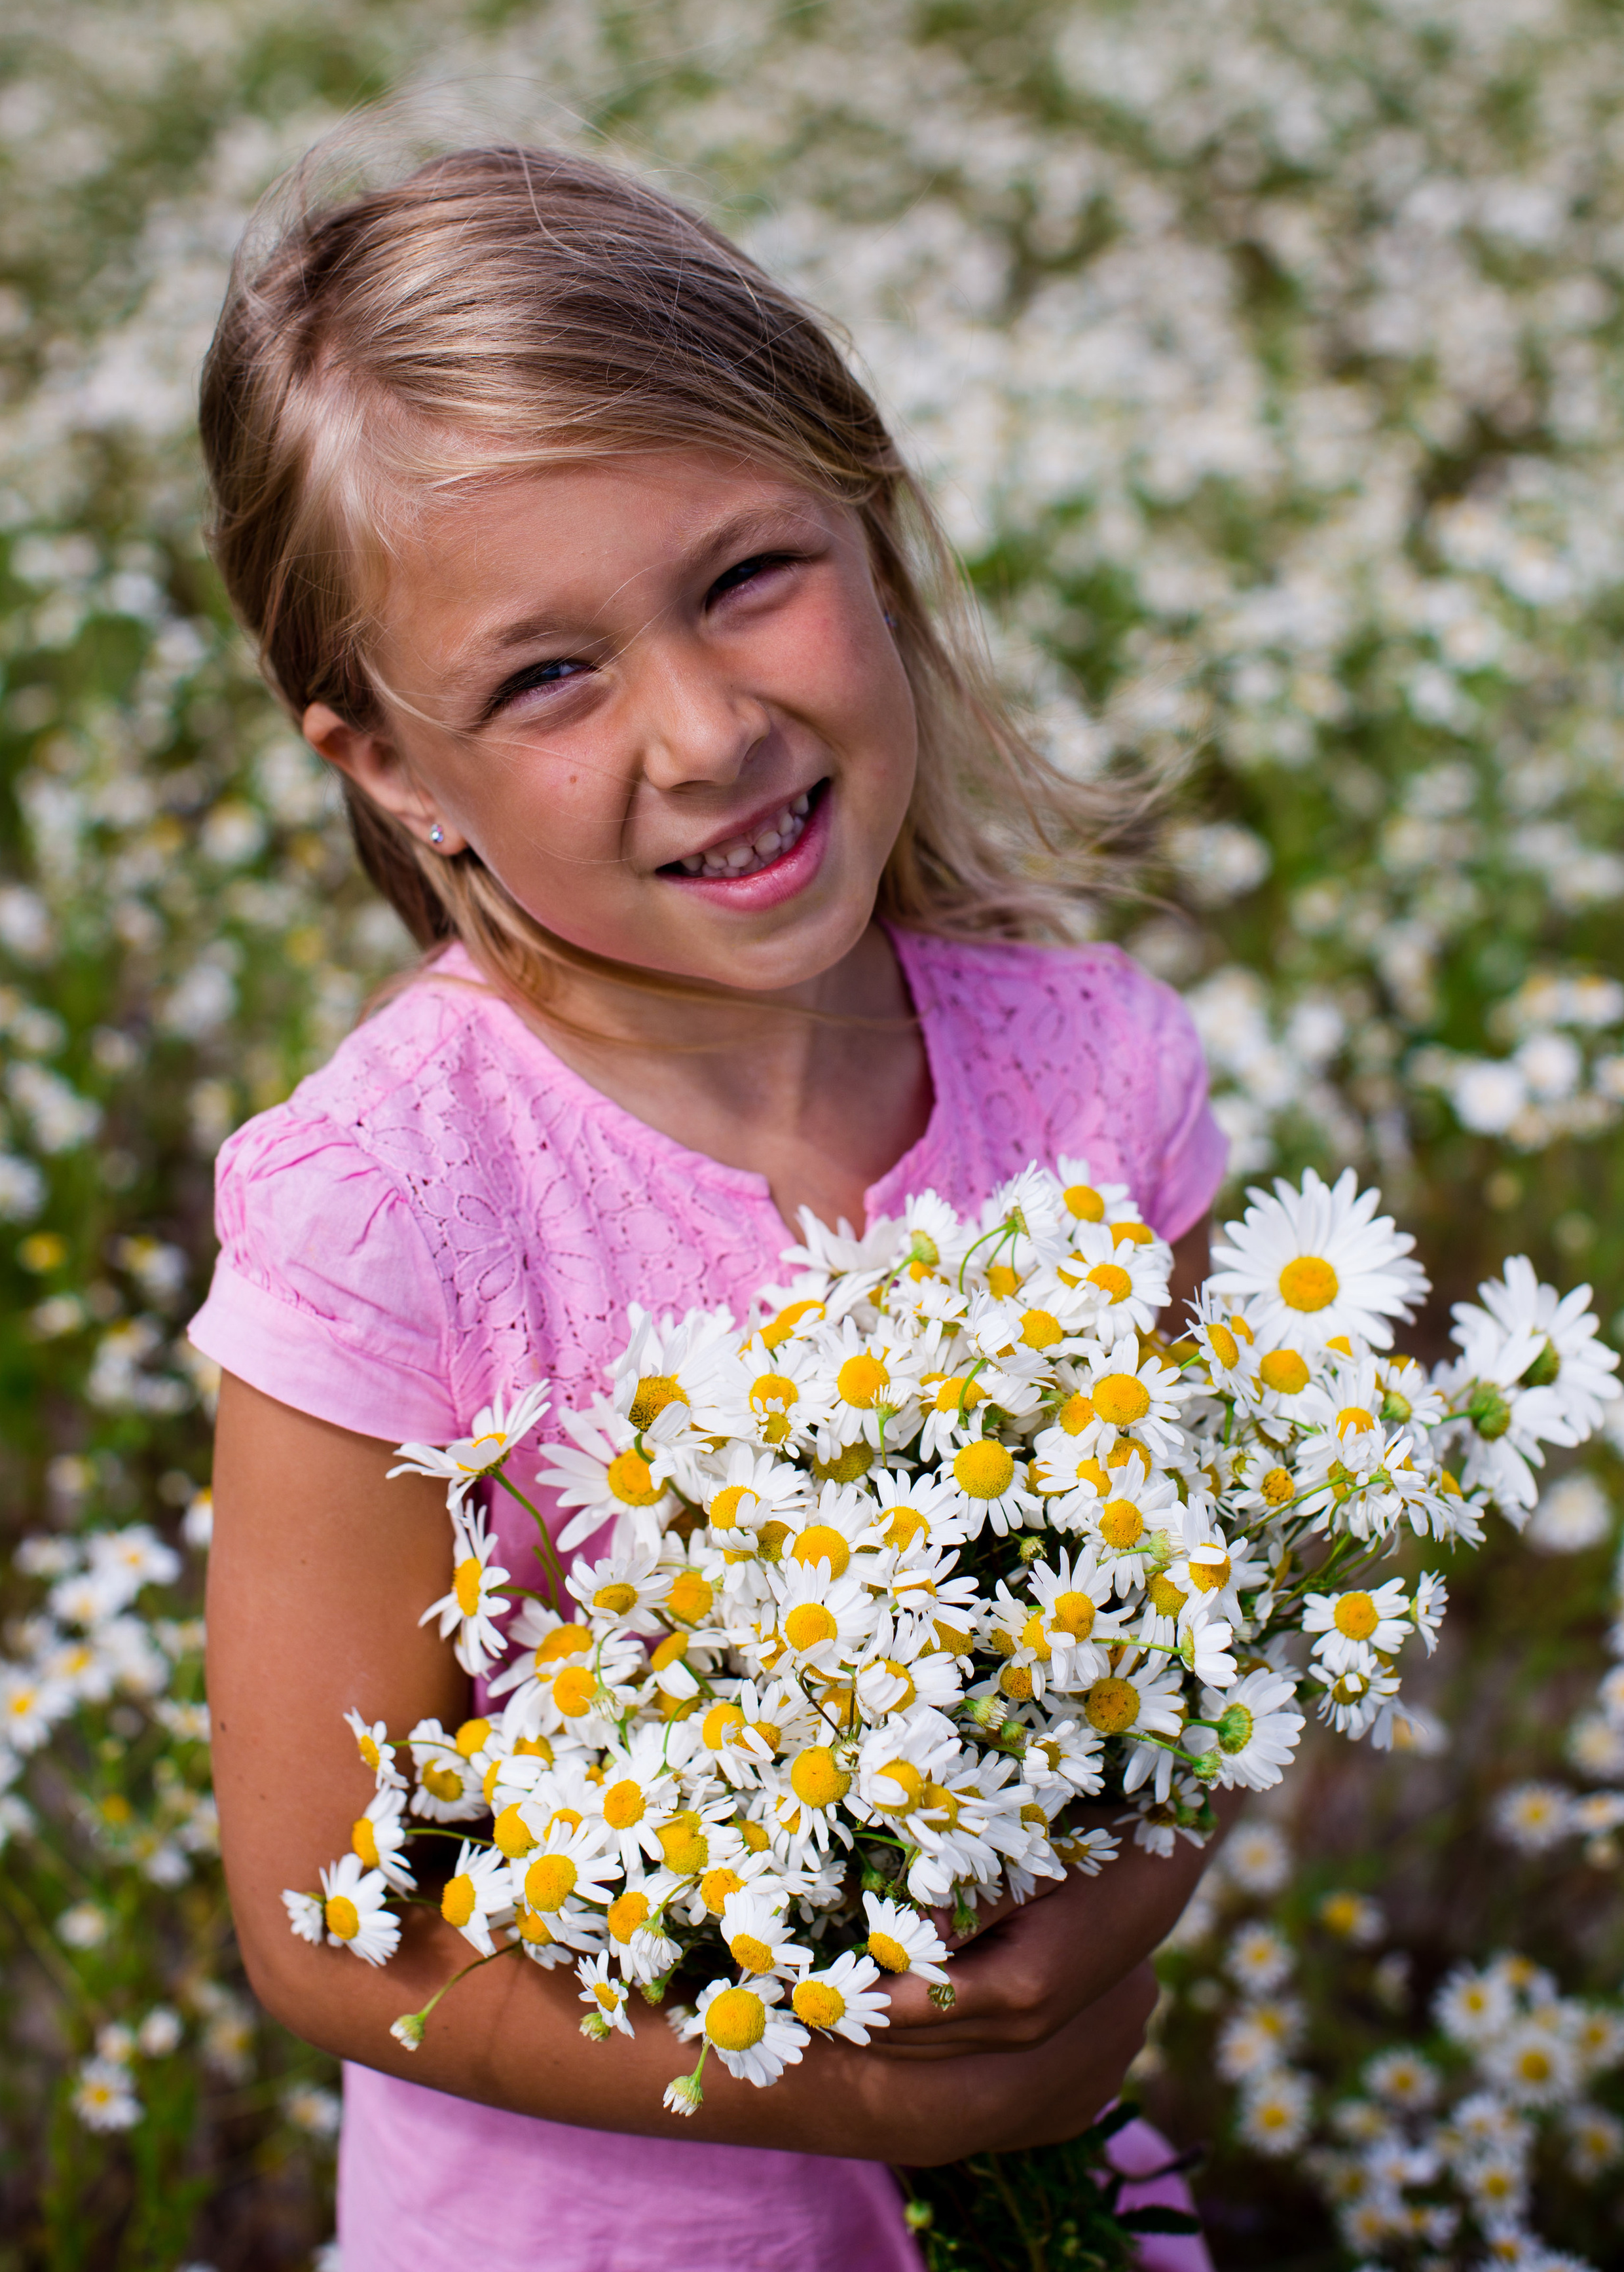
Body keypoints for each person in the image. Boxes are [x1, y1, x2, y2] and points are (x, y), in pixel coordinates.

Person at [189, 140, 1228, 2272]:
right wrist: (863, 2084)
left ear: (872, 521)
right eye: (545, 678)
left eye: (750, 575)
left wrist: (1127, 1897)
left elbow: (1194, 1645)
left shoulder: (1097, 1080)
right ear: (391, 768)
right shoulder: (398, 1211)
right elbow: (325, 1926)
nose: (708, 727)